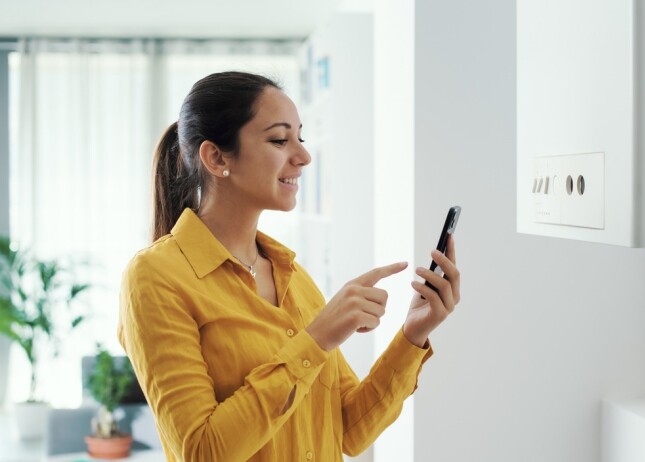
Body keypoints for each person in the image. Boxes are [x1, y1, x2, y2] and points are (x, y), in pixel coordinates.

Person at [117, 71, 461, 461]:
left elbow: (348, 430)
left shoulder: (290, 274)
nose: (303, 156)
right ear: (216, 157)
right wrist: (314, 341)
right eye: (280, 140)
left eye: (300, 137)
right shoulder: (155, 277)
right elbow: (202, 451)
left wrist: (413, 335)